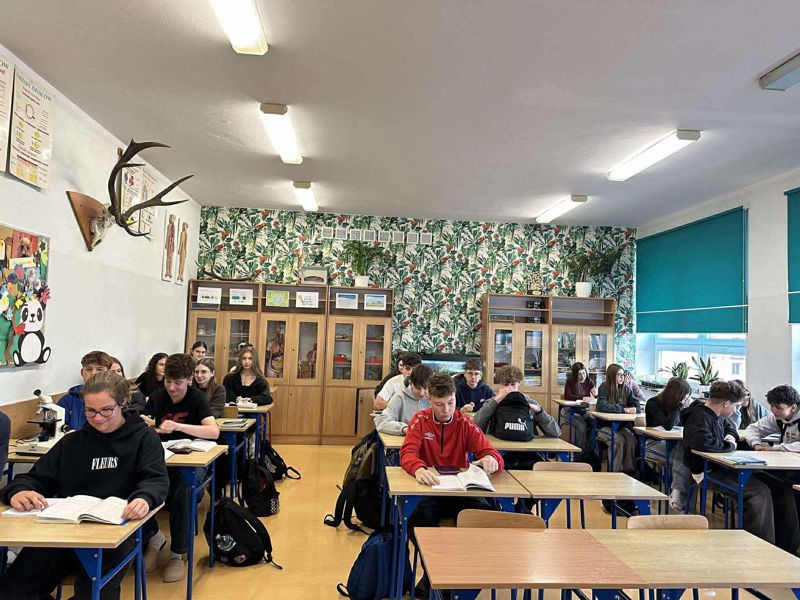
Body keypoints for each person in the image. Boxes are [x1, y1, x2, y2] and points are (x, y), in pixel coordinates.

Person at [0, 372, 168, 600]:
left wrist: (144, 498)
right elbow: (36, 478)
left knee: (95, 594)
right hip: (63, 531)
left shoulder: (144, 439)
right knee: (12, 591)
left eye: (106, 410)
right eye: (90, 411)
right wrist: (18, 491)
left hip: (114, 534)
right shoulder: (72, 442)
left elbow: (155, 480)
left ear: (123, 403)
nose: (97, 418)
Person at [400, 373, 504, 598]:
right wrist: (418, 468)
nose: (446, 410)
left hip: (462, 493)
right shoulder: (420, 420)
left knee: (486, 520)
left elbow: (489, 451)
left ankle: (454, 580)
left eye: (451, 403)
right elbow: (407, 452)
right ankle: (436, 577)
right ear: (429, 399)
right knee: (415, 525)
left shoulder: (464, 422)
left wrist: (491, 459)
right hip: (432, 492)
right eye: (439, 404)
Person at [682, 380, 798, 551]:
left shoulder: (718, 416)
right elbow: (703, 444)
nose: (736, 410)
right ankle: (760, 549)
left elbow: (731, 428)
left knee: (782, 487)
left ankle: (787, 546)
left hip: (722, 467)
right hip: (707, 471)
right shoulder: (699, 417)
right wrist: (730, 445)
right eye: (735, 406)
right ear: (726, 403)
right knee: (759, 492)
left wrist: (730, 436)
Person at [141, 353, 220, 583]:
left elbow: (213, 432)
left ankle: (178, 553)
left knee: (183, 490)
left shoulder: (197, 398)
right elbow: (148, 427)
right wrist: (149, 426)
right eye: (168, 381)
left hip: (192, 460)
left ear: (188, 379)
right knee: (137, 486)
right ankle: (154, 538)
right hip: (162, 458)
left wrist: (177, 426)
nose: (172, 388)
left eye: (178, 382)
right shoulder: (157, 397)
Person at [644, 376, 694, 510]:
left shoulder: (682, 405)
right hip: (653, 445)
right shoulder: (653, 403)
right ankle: (682, 501)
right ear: (677, 395)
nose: (685, 400)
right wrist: (678, 405)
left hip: (675, 446)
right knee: (687, 459)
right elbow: (668, 425)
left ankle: (678, 495)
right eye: (684, 396)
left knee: (689, 456)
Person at [473, 365, 560, 438]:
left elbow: (555, 433)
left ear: (519, 383)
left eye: (513, 384)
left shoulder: (530, 403)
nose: (509, 389)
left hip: (526, 448)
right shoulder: (492, 402)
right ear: (500, 385)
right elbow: (474, 427)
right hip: (499, 448)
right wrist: (496, 400)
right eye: (506, 385)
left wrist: (539, 411)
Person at [595, 363, 643, 473]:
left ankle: (627, 471)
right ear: (612, 376)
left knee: (630, 439)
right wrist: (624, 410)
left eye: (623, 375)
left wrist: (634, 409)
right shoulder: (604, 387)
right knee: (617, 440)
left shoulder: (626, 389)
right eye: (619, 375)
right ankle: (614, 473)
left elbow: (637, 406)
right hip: (603, 427)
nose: (622, 377)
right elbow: (601, 406)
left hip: (620, 426)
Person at [57, 350, 114, 431]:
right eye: (89, 369)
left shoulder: (116, 398)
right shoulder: (67, 401)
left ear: (109, 373)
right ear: (82, 372)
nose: (93, 373)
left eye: (99, 369)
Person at [375, 365, 433, 435]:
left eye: (425, 388)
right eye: (418, 388)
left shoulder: (434, 399)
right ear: (410, 383)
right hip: (405, 438)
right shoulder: (399, 398)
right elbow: (381, 422)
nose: (422, 393)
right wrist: (404, 428)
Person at [562, 361, 597, 449]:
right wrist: (582, 397)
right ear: (575, 375)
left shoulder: (589, 382)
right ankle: (579, 451)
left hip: (584, 411)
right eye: (579, 374)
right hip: (570, 412)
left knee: (594, 423)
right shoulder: (570, 382)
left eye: (584, 373)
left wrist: (596, 394)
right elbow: (567, 395)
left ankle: (589, 450)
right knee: (582, 426)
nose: (583, 376)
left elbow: (595, 397)